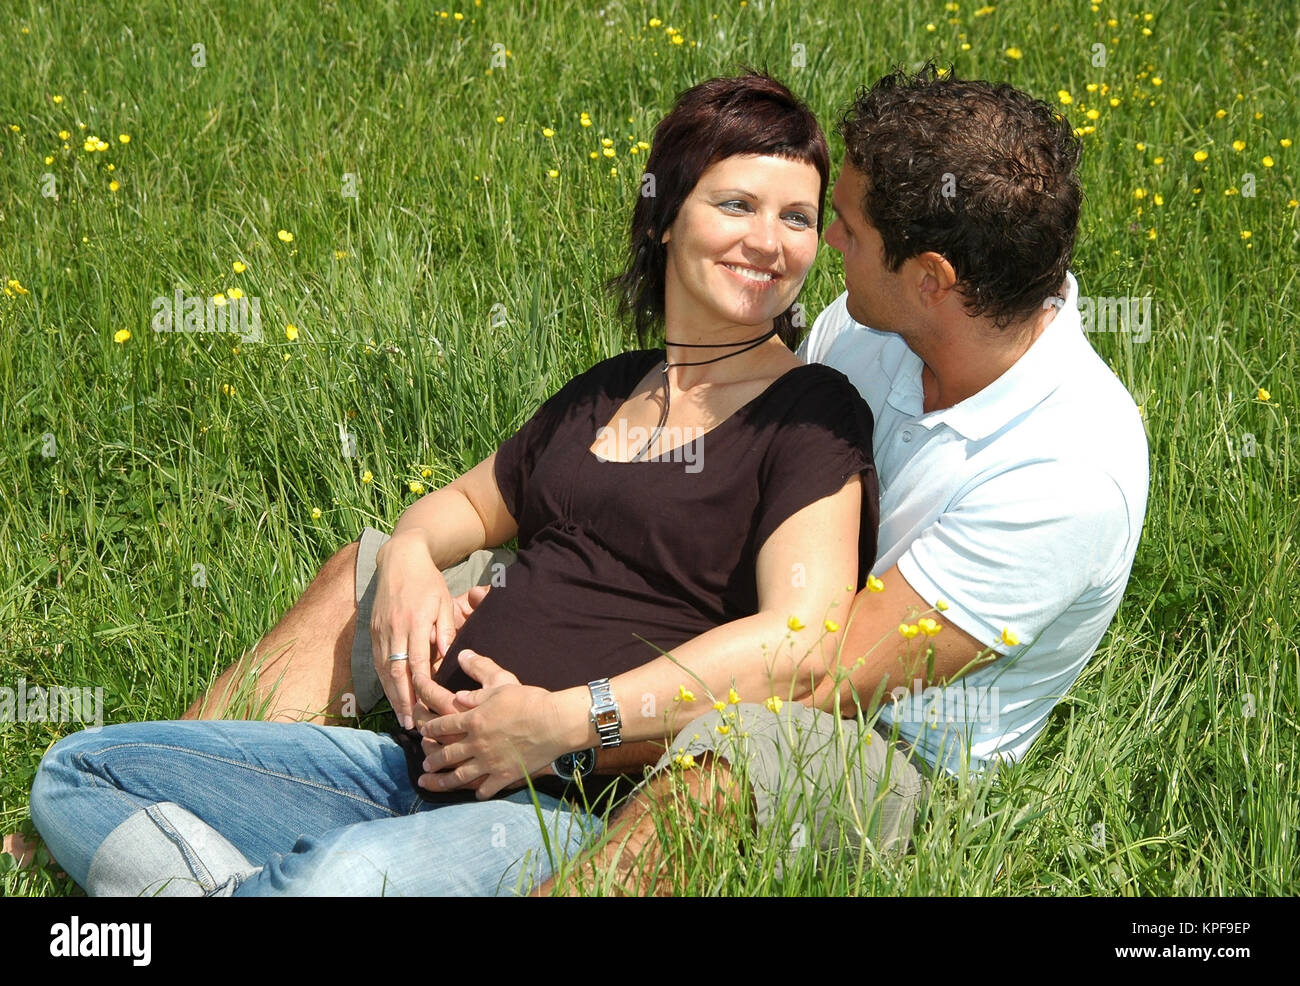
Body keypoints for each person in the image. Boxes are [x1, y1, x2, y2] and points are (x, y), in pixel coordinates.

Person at [24, 71, 883, 896]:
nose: (770, 241)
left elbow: (796, 641)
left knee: (340, 880)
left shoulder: (808, 414)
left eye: (798, 218)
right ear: (665, 219)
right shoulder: (610, 388)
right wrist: (406, 557)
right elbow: (468, 505)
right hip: (409, 767)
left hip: (554, 806)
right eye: (737, 204)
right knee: (79, 770)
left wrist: (565, 724)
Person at [410, 64, 1151, 894]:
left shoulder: (1066, 472)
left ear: (932, 280)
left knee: (727, 769)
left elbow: (821, 679)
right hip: (739, 621)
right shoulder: (870, 327)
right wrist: (537, 584)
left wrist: (570, 716)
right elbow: (740, 491)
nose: (823, 243)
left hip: (877, 741)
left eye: (847, 229)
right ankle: (232, 794)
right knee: (375, 575)